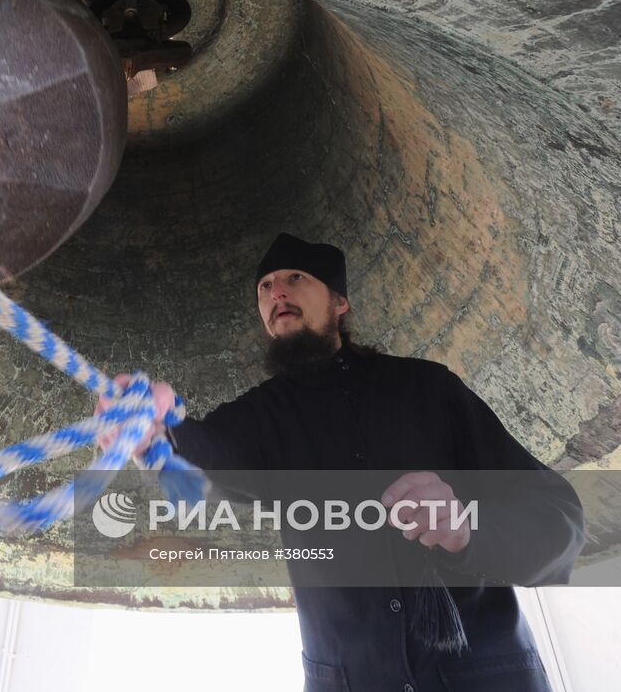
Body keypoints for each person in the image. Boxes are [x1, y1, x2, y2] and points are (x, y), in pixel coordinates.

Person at [105, 233, 585, 692]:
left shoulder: (429, 390)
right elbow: (209, 457)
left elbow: (559, 520)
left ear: (340, 302)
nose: (277, 292)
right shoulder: (261, 417)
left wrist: (467, 528)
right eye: (265, 286)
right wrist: (157, 434)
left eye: (296, 278)